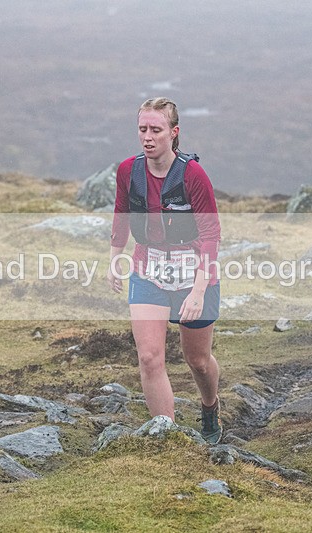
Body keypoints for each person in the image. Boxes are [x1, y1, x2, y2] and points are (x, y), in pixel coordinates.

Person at [107, 97, 223, 444]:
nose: (147, 136)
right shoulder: (128, 171)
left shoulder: (193, 175)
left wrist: (200, 290)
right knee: (149, 357)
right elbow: (122, 214)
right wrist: (115, 257)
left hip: (194, 271)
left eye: (156, 129)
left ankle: (210, 407)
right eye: (142, 129)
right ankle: (167, 437)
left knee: (198, 360)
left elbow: (211, 235)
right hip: (148, 267)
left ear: (174, 133)